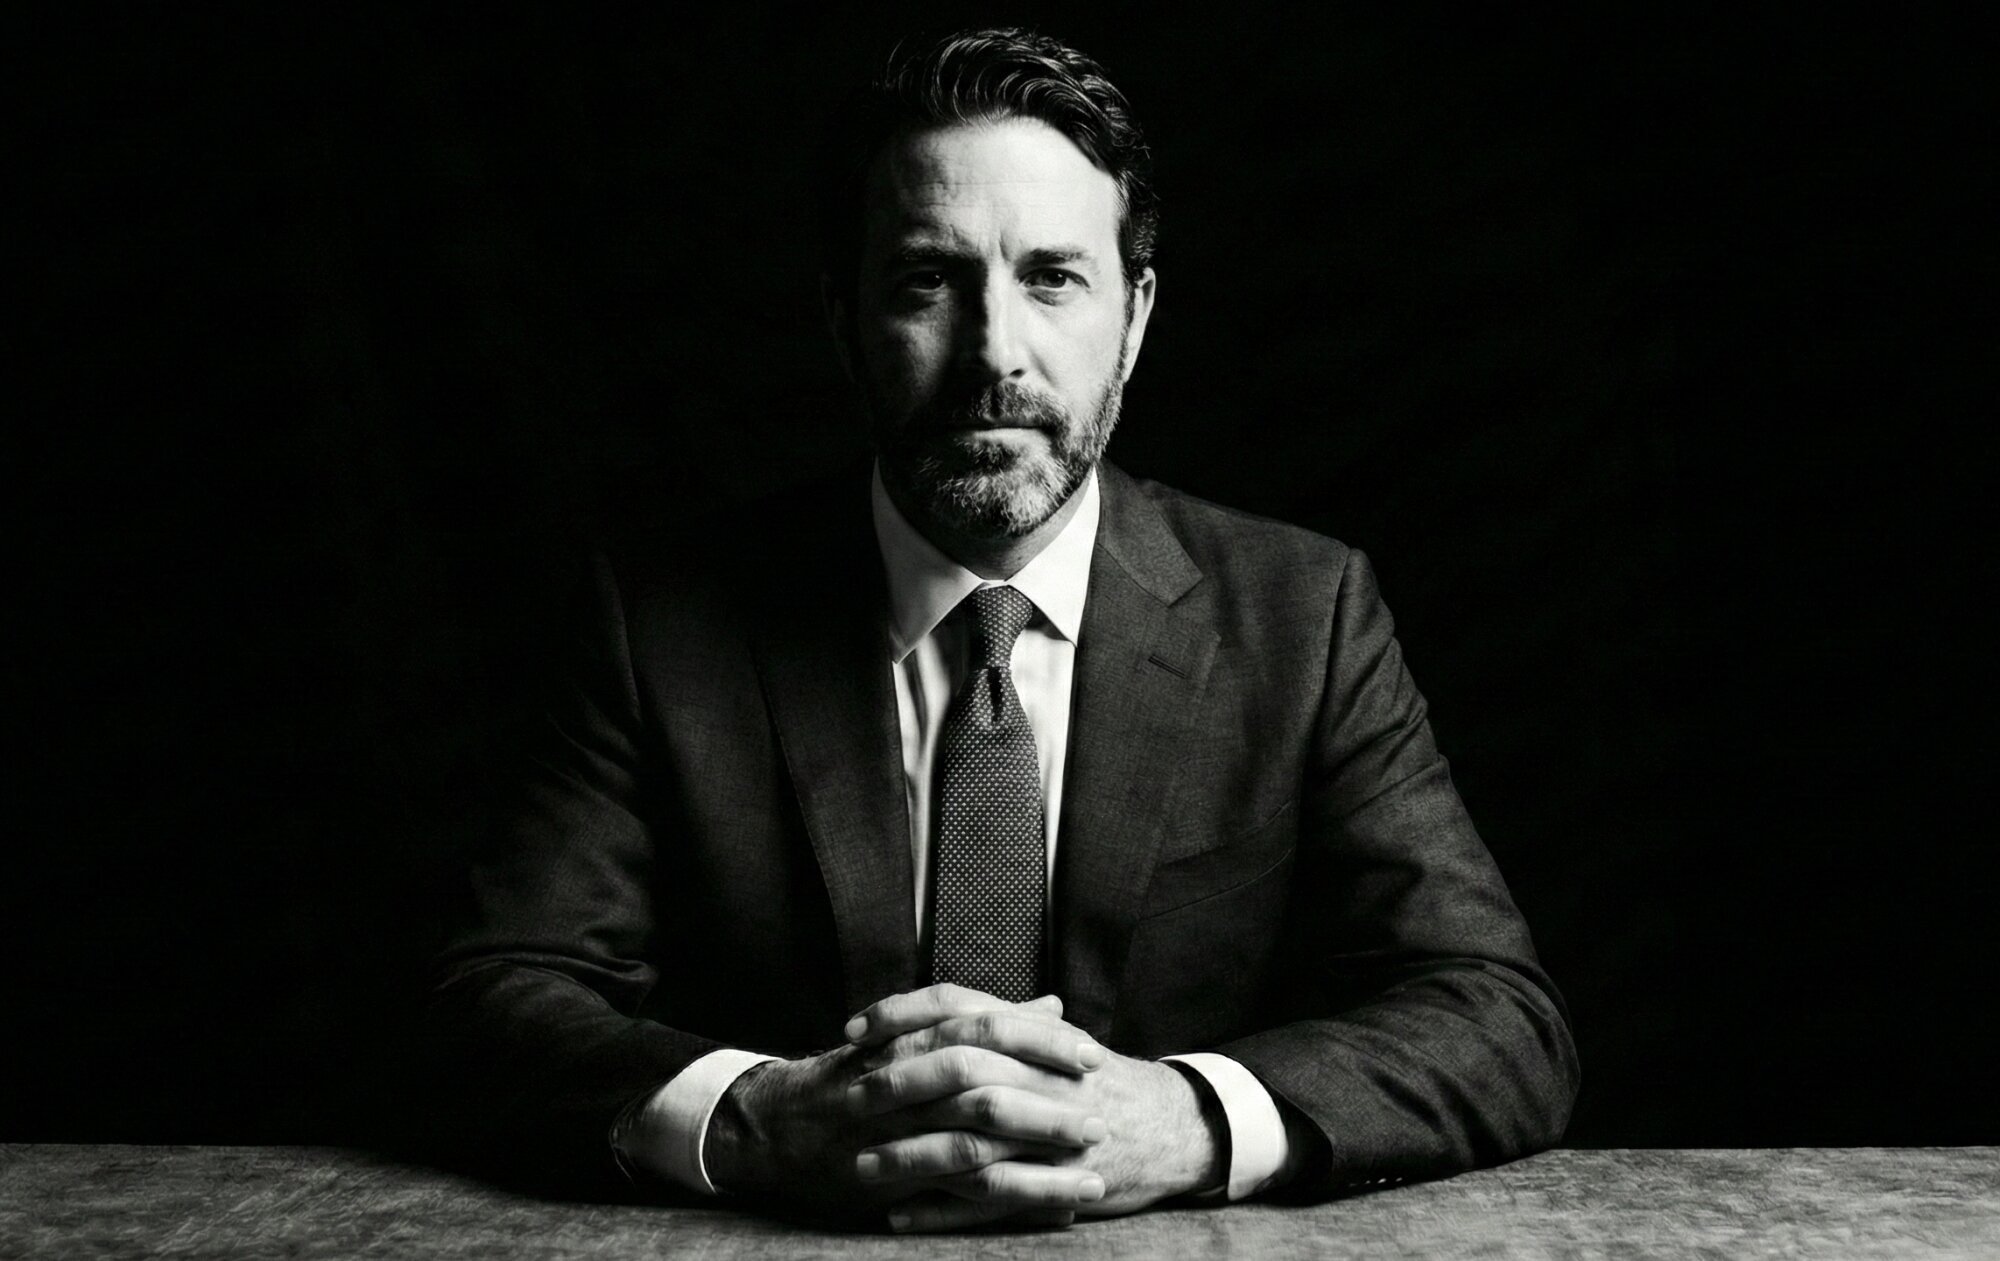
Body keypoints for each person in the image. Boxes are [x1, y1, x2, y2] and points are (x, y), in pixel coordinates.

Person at [425, 27, 1579, 1233]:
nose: (993, 354)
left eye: (1051, 279)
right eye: (928, 280)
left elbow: (1497, 1014)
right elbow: (493, 994)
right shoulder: (663, 625)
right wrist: (757, 1117)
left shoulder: (1304, 615)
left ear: (1133, 318)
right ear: (842, 317)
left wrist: (1185, 1121)